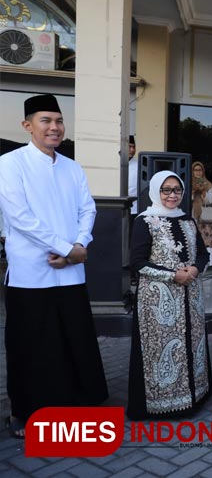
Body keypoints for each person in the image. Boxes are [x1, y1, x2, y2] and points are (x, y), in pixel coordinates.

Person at [0, 94, 108, 438]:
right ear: (27, 125)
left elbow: (87, 209)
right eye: (45, 120)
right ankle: (29, 413)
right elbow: (20, 218)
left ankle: (77, 406)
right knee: (32, 345)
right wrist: (66, 248)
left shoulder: (72, 166)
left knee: (72, 339)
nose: (54, 127)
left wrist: (80, 246)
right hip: (31, 273)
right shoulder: (10, 164)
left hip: (71, 271)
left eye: (59, 120)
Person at [128, 170, 212, 420]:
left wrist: (195, 268)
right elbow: (137, 263)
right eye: (166, 190)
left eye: (177, 190)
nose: (172, 195)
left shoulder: (187, 220)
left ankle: (194, 397)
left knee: (191, 343)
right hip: (158, 301)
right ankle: (161, 403)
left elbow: (203, 254)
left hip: (190, 295)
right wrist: (173, 275)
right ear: (155, 191)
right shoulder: (144, 221)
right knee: (160, 348)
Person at [191, 161, 212, 266]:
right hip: (193, 214)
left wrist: (203, 193)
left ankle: (208, 262)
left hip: (206, 216)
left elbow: (210, 200)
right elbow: (186, 199)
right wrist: (194, 192)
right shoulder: (189, 183)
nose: (198, 172)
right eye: (195, 170)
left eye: (200, 170)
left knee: (207, 238)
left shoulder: (208, 184)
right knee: (194, 237)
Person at [128, 135, 138, 218]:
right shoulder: (113, 164)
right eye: (129, 146)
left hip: (134, 209)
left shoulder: (139, 166)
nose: (132, 150)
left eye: (133, 147)